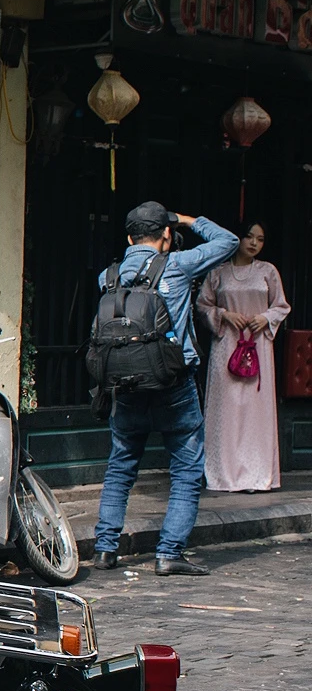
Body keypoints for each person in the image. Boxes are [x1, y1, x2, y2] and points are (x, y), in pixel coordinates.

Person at [90, 202, 239, 576]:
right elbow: (229, 241)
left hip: (124, 386)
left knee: (121, 467)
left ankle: (105, 550)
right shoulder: (177, 265)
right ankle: (169, 553)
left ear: (129, 238)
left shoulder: (108, 276)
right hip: (174, 384)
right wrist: (190, 220)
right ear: (167, 235)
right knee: (186, 470)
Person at [197, 221, 291, 492]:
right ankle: (223, 474)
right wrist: (224, 314)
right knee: (225, 409)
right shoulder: (218, 272)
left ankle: (256, 475)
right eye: (249, 237)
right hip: (226, 344)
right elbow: (202, 305)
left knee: (255, 411)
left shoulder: (267, 271)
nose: (254, 243)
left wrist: (266, 318)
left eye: (260, 239)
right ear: (236, 238)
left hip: (258, 345)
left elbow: (281, 306)